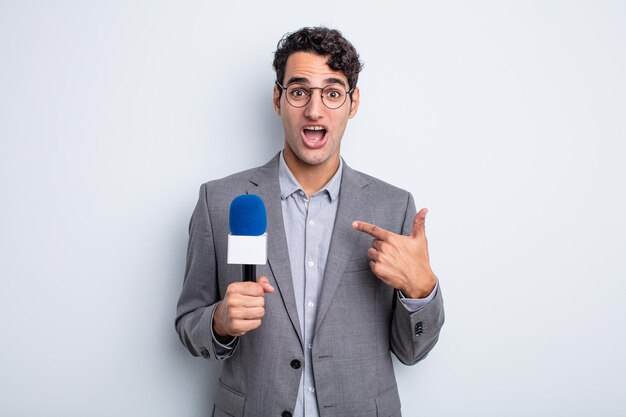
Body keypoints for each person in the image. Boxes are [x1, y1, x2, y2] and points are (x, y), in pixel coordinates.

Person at [175, 27, 445, 417]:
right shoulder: (220, 201)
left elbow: (411, 351)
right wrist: (218, 321)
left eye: (332, 93)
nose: (314, 111)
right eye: (299, 91)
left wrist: (421, 290)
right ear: (277, 99)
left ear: (353, 103)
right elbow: (188, 324)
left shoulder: (394, 207)